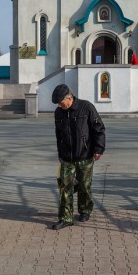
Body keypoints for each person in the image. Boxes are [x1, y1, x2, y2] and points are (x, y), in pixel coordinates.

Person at [51, 84, 106, 230]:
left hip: (85, 155)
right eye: (58, 104)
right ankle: (65, 218)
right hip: (67, 158)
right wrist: (60, 153)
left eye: (61, 103)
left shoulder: (86, 107)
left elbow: (98, 129)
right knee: (65, 187)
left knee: (84, 185)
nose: (59, 105)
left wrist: (99, 149)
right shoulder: (58, 113)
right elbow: (59, 135)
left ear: (69, 98)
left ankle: (85, 209)